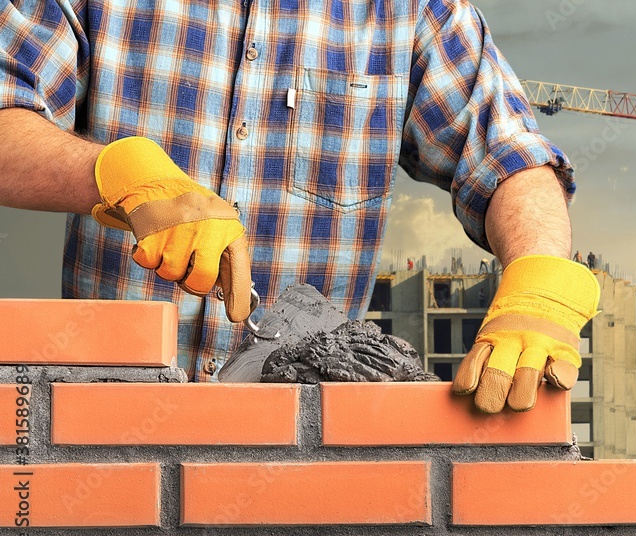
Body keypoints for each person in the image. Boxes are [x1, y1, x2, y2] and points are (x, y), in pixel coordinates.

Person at [0, 0, 599, 413]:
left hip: (302, 454)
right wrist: (119, 175)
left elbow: (510, 156)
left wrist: (539, 278)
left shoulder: (410, 10)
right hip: (101, 432)